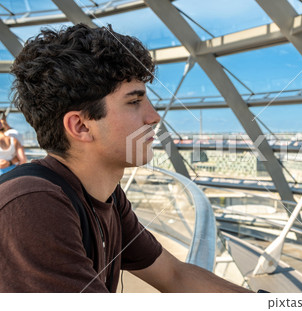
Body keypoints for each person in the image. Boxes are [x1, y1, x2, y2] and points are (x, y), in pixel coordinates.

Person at [0, 24, 252, 293]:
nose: (154, 117)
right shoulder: (33, 205)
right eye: (134, 101)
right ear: (81, 126)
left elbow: (174, 274)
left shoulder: (106, 196)